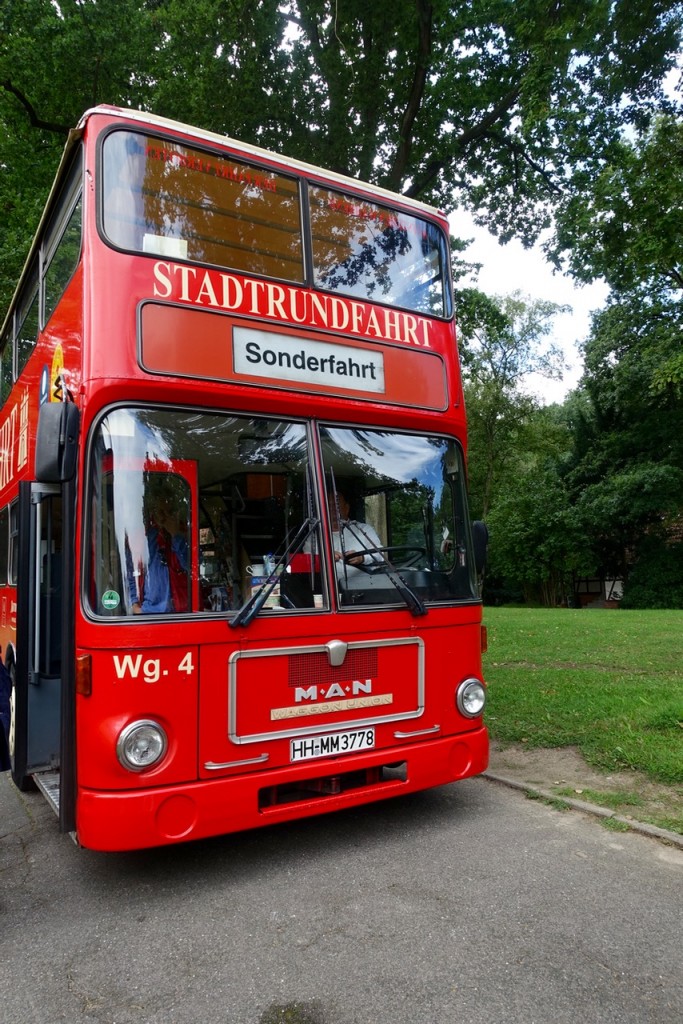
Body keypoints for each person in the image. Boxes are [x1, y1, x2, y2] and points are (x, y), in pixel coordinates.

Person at [127, 486, 189, 614]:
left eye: (168, 512)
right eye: (160, 512)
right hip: (150, 612)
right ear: (153, 512)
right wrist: (135, 605)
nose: (163, 517)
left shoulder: (184, 534)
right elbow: (129, 572)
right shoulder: (143, 537)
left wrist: (176, 535)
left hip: (182, 612)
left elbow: (192, 567)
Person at [327, 490, 384, 582]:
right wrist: (325, 556)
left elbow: (380, 554)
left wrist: (362, 558)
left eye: (336, 505)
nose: (332, 510)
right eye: (328, 506)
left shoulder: (364, 529)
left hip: (365, 586)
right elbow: (308, 561)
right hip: (329, 591)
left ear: (346, 508)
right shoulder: (315, 536)